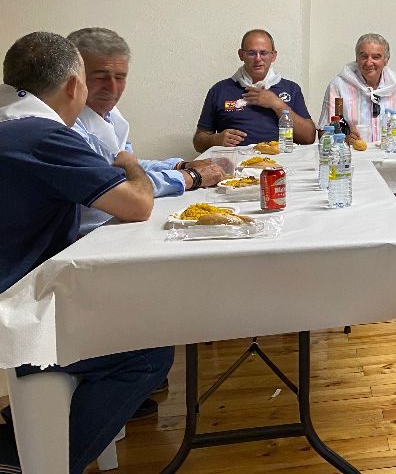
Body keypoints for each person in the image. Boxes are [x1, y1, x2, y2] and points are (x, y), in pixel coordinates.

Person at [0, 32, 174, 474]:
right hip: (20, 305)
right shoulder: (42, 136)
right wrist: (129, 163)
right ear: (74, 85)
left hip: (19, 286)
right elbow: (137, 204)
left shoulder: (9, 123)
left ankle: (27, 434)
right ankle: (30, 461)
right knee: (149, 352)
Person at [67, 28, 224, 234]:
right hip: (88, 236)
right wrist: (190, 177)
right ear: (74, 77)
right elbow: (122, 187)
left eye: (120, 77)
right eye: (100, 77)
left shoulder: (110, 115)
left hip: (120, 224)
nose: (112, 88)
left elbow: (130, 165)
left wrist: (179, 165)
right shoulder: (66, 125)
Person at [193, 29, 315, 152]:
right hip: (234, 160)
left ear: (273, 56)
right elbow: (198, 142)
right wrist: (215, 140)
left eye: (263, 53)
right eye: (251, 53)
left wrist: (277, 104)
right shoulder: (219, 90)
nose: (258, 59)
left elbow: (309, 138)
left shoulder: (291, 89)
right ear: (241, 55)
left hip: (281, 159)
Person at [318, 33, 396, 145]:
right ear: (356, 58)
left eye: (376, 57)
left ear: (386, 60)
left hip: (388, 153)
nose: (369, 62)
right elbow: (324, 131)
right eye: (364, 56)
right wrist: (345, 140)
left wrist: (395, 148)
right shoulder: (339, 86)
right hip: (353, 153)